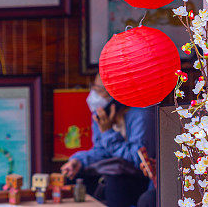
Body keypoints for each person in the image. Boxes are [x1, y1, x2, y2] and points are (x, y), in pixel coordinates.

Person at [60, 74, 151, 207]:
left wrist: (108, 132)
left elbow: (137, 159)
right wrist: (79, 161)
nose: (95, 95)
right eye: (94, 88)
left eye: (101, 91)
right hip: (114, 172)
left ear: (118, 95)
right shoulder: (100, 115)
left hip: (137, 177)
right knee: (74, 177)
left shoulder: (140, 115)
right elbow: (101, 151)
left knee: (114, 182)